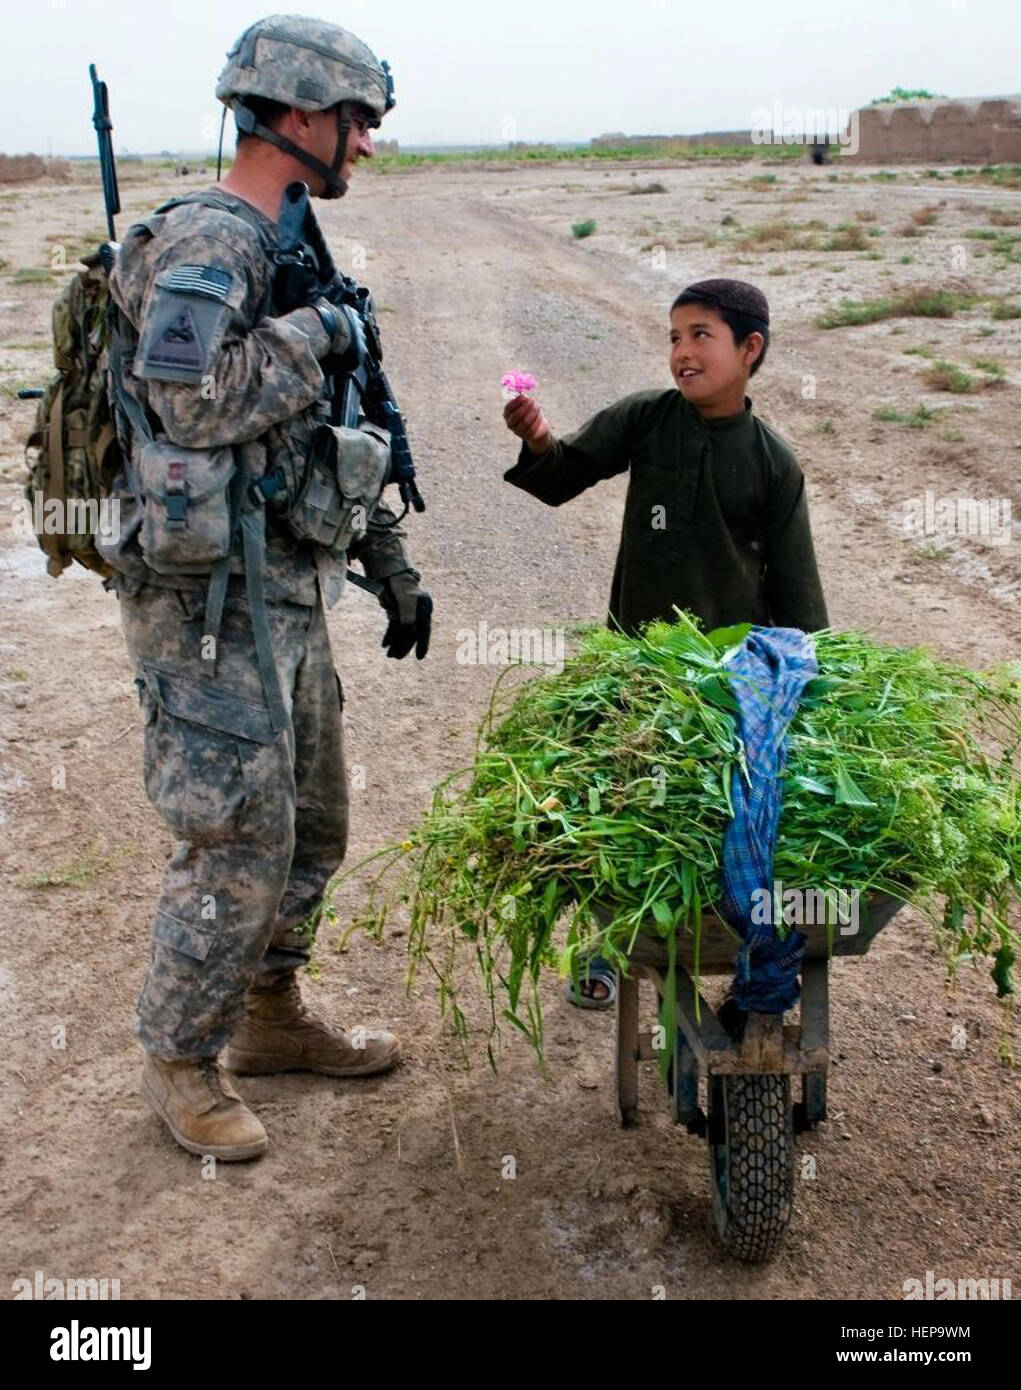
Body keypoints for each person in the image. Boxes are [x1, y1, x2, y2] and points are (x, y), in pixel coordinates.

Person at [102, 15, 431, 1160]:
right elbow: (193, 399)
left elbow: (334, 433)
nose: (368, 146)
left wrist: (389, 565)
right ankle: (180, 1058)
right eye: (358, 123)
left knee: (315, 822)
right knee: (235, 833)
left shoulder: (290, 241)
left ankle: (271, 1016)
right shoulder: (210, 238)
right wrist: (315, 334)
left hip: (283, 581)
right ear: (297, 117)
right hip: (201, 607)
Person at [502, 278, 828, 1007]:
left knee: (712, 807)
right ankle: (613, 940)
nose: (681, 352)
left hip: (725, 676)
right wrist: (536, 439)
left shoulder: (774, 462)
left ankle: (722, 928)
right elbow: (564, 475)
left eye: (700, 335)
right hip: (637, 660)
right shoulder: (647, 419)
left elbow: (797, 592)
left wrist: (807, 681)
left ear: (750, 349)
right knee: (625, 802)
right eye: (673, 338)